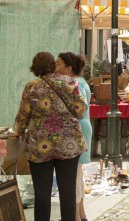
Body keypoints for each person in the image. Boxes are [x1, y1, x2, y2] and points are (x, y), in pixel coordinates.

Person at [14, 52, 87, 221]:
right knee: (68, 192)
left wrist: (19, 130)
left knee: (42, 193)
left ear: (35, 67)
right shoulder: (70, 83)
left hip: (40, 145)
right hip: (68, 143)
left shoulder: (32, 87)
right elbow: (81, 109)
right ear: (53, 65)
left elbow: (22, 117)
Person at [55, 52, 92, 221]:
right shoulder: (82, 82)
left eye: (59, 65)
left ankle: (76, 215)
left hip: (77, 129)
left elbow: (79, 108)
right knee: (78, 173)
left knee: (74, 175)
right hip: (83, 127)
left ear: (69, 69)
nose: (56, 68)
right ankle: (81, 213)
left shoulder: (75, 83)